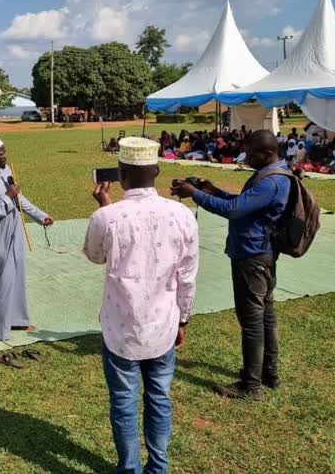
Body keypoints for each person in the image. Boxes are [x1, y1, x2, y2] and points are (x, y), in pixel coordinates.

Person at [84, 136, 198, 474]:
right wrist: (184, 320)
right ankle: (158, 468)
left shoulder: (108, 217)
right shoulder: (181, 214)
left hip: (121, 329)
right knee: (159, 398)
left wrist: (104, 206)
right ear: (158, 171)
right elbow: (188, 276)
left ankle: (130, 469)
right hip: (164, 325)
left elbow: (94, 255)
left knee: (124, 403)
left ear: (120, 174)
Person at [172, 130, 291, 400]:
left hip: (253, 257)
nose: (246, 158)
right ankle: (268, 374)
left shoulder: (271, 182)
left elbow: (233, 210)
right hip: (259, 255)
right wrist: (213, 191)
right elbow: (242, 204)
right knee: (266, 317)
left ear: (268, 153)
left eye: (251, 154)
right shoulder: (274, 174)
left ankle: (251, 386)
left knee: (253, 321)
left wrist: (195, 194)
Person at [0, 134, 53, 340]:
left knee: (17, 275)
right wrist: (8, 197)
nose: (5, 156)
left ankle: (17, 320)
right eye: (0, 153)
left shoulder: (6, 170)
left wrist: (40, 216)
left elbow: (20, 200)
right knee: (1, 279)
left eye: (5, 150)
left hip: (16, 230)